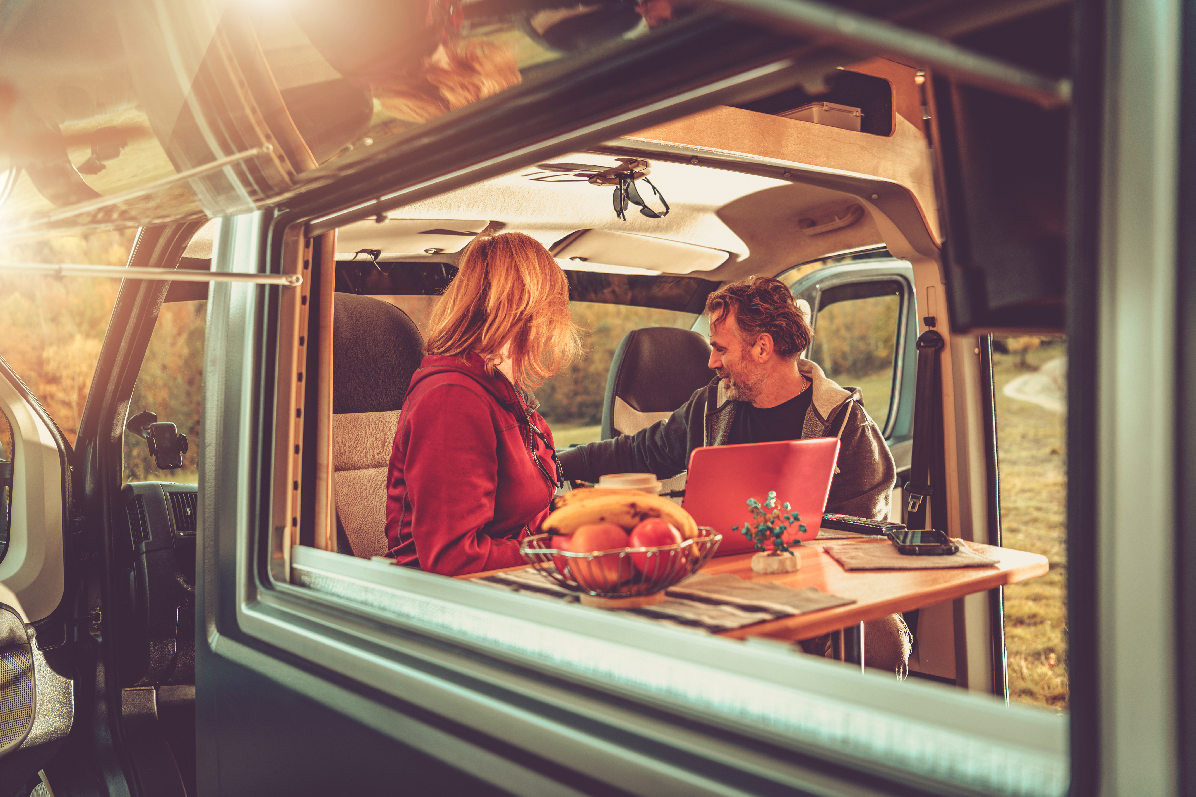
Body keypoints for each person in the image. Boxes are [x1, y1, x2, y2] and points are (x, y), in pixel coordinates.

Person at [558, 276, 910, 673]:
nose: (710, 362)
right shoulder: (709, 404)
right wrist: (558, 462)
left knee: (880, 639)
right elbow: (640, 452)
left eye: (720, 348)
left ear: (762, 347)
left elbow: (865, 535)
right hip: (721, 580)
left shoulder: (845, 422)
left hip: (816, 584)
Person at [385, 232, 579, 575]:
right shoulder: (452, 400)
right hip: (458, 603)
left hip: (515, 582)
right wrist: (564, 551)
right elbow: (454, 559)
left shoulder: (504, 394)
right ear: (530, 310)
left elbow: (524, 519)